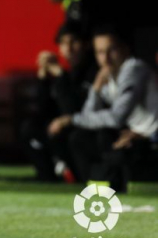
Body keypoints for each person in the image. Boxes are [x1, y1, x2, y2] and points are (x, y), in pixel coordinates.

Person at [48, 26, 158, 184]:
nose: (105, 58)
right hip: (136, 135)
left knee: (104, 139)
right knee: (79, 138)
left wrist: (71, 119)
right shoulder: (110, 76)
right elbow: (88, 117)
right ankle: (89, 186)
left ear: (125, 50)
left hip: (152, 138)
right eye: (99, 52)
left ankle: (111, 186)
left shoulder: (134, 69)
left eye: (111, 50)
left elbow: (116, 118)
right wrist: (96, 90)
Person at [20, 22, 97, 181]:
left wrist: (61, 76)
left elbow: (72, 109)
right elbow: (42, 109)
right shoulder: (66, 74)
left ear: (86, 44)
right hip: (63, 126)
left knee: (66, 134)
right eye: (63, 43)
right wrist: (43, 79)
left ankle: (78, 176)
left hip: (86, 128)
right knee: (30, 128)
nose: (68, 49)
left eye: (73, 42)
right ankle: (47, 178)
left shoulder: (93, 73)